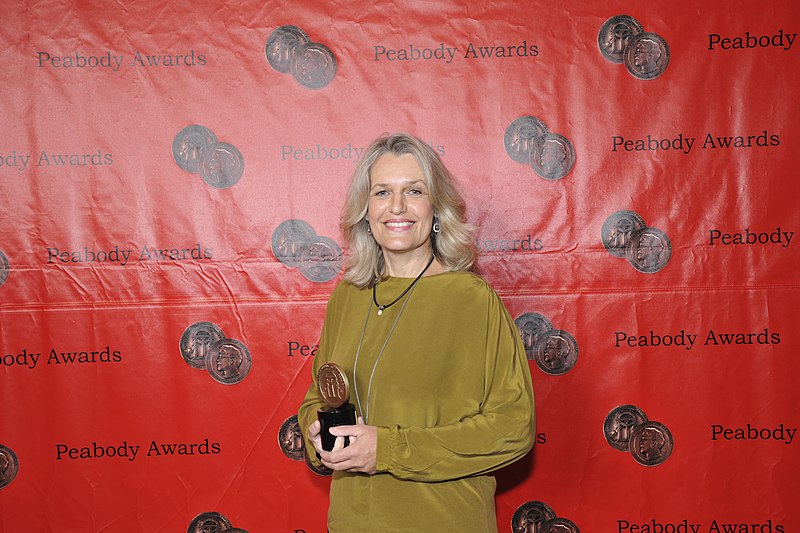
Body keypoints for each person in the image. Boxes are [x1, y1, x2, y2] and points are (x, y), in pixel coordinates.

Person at [297, 133, 535, 532]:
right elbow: (316, 400)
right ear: (366, 211)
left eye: (414, 190)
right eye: (382, 192)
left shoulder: (470, 300)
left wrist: (388, 450)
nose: (397, 206)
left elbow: (513, 428)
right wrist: (317, 437)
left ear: (436, 208)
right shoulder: (347, 297)